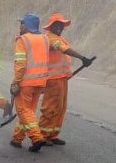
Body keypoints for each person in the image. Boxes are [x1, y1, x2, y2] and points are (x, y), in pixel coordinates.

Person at [39, 13, 94, 146]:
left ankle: (52, 134)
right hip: (53, 80)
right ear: (51, 26)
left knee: (60, 108)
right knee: (50, 107)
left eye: (61, 25)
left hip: (61, 78)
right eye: (56, 24)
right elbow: (63, 49)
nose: (59, 27)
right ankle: (42, 135)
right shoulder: (50, 38)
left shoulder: (59, 37)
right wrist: (82, 58)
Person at [10, 14, 50, 152]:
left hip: (26, 82)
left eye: (21, 23)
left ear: (27, 25)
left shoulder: (23, 40)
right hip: (40, 81)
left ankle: (37, 137)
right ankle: (17, 138)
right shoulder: (45, 39)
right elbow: (46, 61)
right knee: (29, 112)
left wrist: (15, 82)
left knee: (24, 110)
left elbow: (20, 64)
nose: (20, 26)